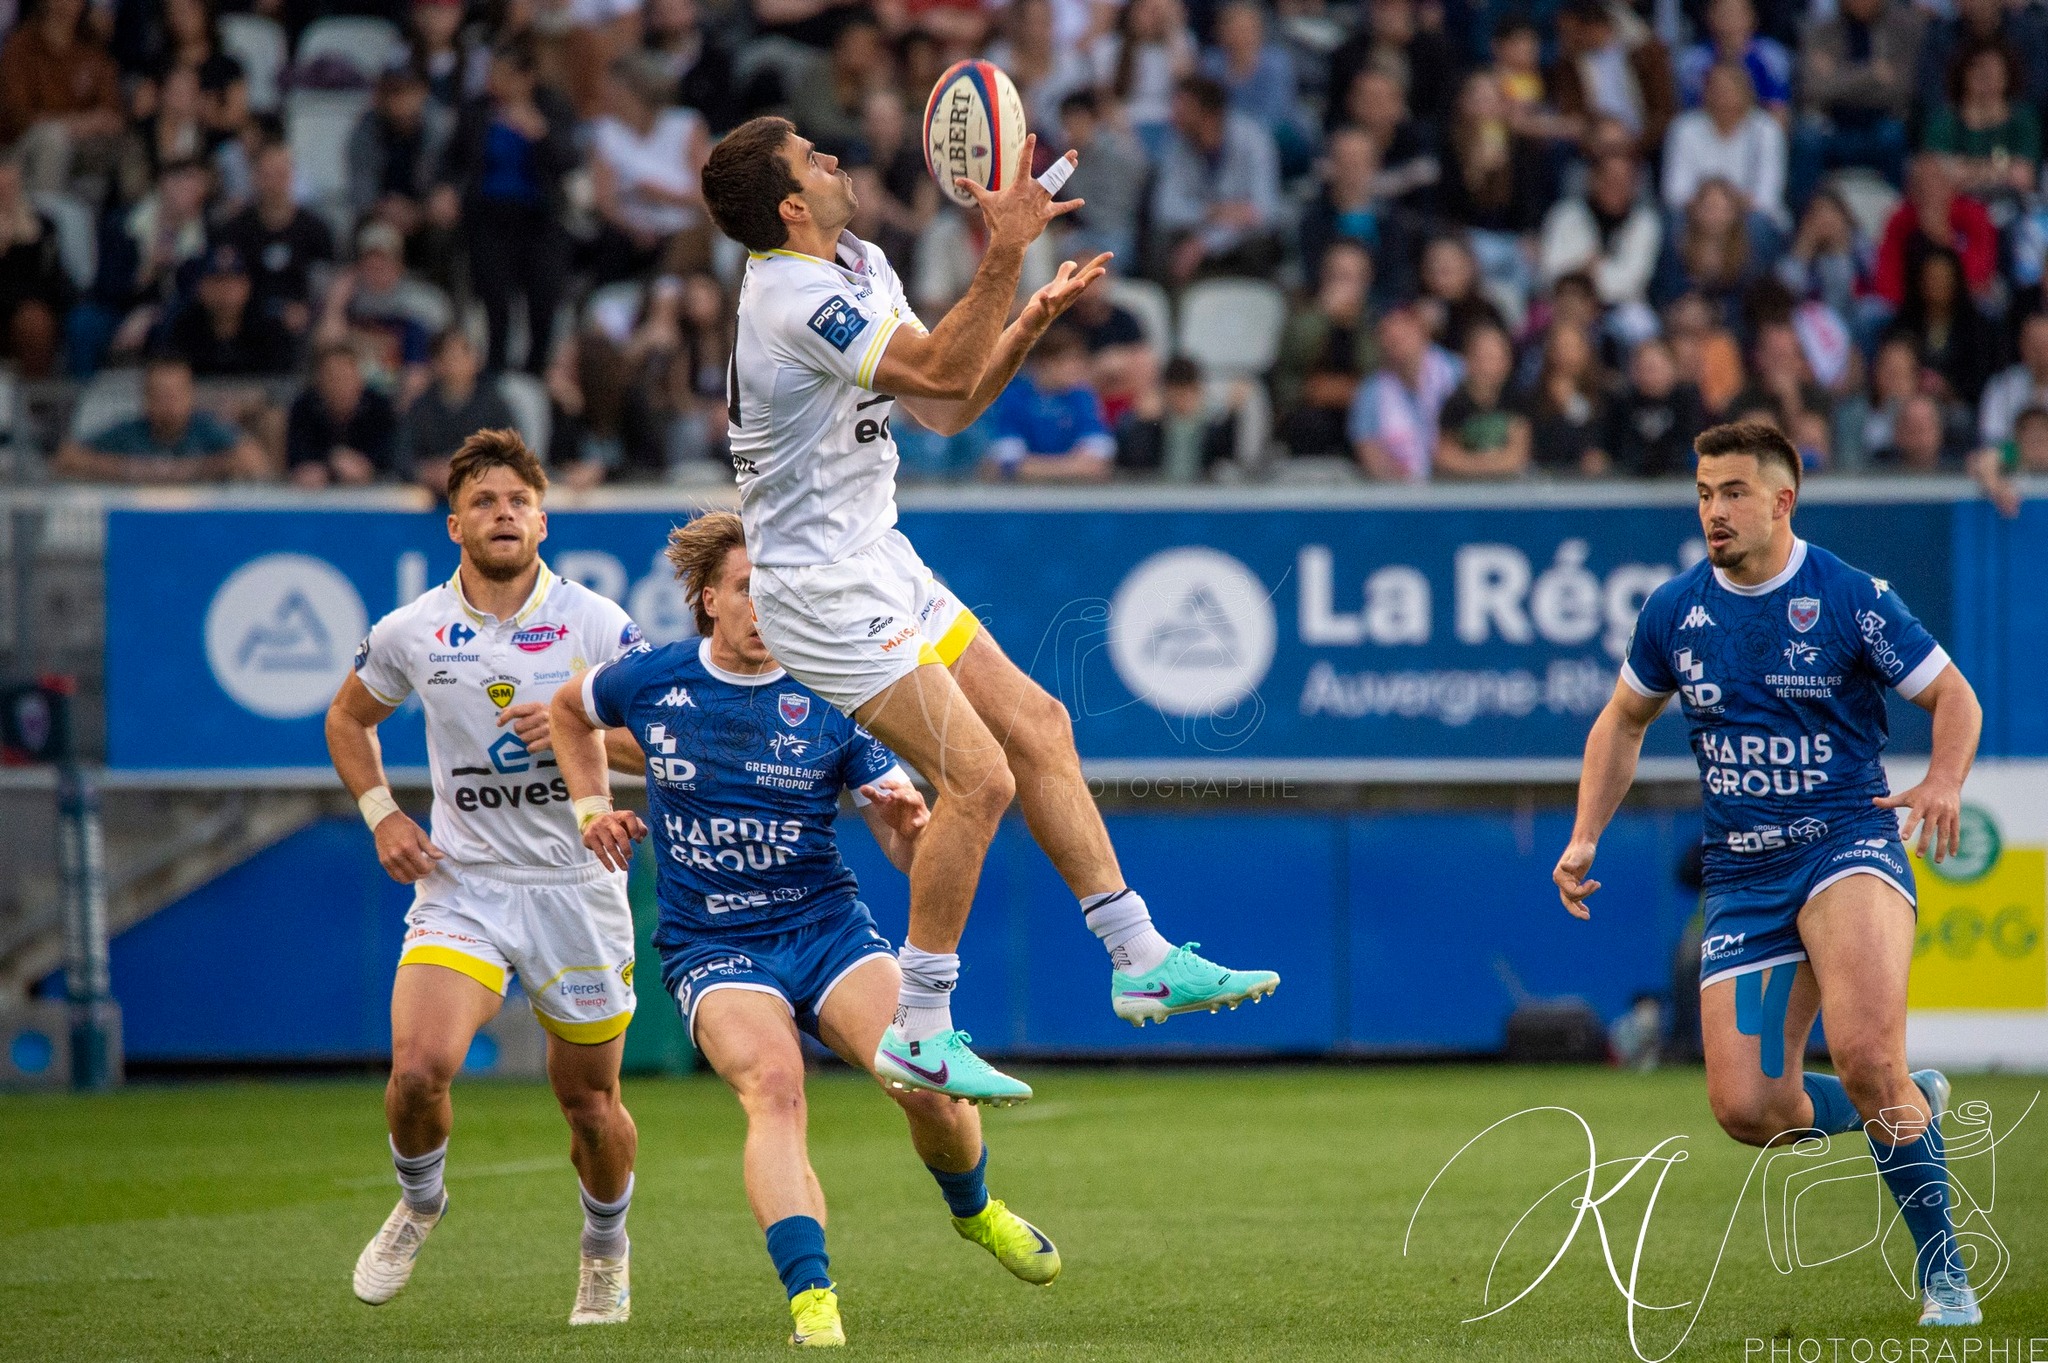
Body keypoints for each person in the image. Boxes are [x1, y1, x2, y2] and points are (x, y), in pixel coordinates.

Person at [699, 116, 1277, 1102]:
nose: (832, 157)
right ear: (790, 205)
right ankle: (921, 1026)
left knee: (1038, 726)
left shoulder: (858, 262)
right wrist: (1004, 249)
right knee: (978, 779)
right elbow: (934, 371)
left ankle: (1138, 956)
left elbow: (946, 404)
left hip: (879, 559)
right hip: (819, 589)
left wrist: (1026, 320)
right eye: (810, 158)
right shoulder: (792, 297)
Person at [550, 513, 1064, 1349]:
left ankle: (976, 1210)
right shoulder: (651, 678)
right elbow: (567, 711)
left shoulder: (840, 688)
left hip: (826, 929)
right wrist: (590, 808)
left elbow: (908, 854)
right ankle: (812, 1294)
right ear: (708, 598)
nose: (765, 606)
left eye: (780, 590)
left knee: (923, 1082)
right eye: (748, 589)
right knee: (775, 1087)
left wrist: (912, 826)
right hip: (713, 942)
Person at [1553, 418, 1986, 1331]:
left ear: (1783, 500)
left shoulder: (1848, 596)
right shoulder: (1674, 610)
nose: (1714, 510)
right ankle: (1909, 1102)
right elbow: (1622, 720)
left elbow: (1953, 693)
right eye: (1704, 493)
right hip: (1744, 877)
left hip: (1846, 846)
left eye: (1733, 492)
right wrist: (1586, 833)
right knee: (1748, 1107)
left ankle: (1946, 1274)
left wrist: (1944, 779)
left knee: (1866, 1055)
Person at [326, 432, 647, 1326]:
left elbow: (665, 736)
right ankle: (420, 1200)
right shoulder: (413, 629)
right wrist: (383, 814)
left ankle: (605, 1248)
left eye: (518, 501)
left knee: (590, 1104)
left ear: (543, 521)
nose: (502, 513)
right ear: (454, 524)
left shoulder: (596, 623)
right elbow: (348, 719)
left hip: (576, 884)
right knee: (419, 1069)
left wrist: (583, 727)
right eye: (484, 501)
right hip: (464, 882)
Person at [439, 35, 580, 374]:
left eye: (502, 75)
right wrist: (446, 190)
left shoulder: (552, 107)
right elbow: (452, 160)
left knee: (543, 299)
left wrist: (540, 134)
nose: (493, 82)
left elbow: (568, 161)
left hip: (538, 218)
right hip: (489, 215)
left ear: (526, 77)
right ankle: (496, 367)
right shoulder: (477, 110)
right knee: (494, 300)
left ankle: (537, 368)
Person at [50, 353, 267, 483]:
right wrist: (130, 470)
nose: (168, 403)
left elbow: (254, 461)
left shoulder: (207, 429)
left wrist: (189, 471)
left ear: (190, 396)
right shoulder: (128, 432)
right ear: (146, 398)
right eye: (159, 395)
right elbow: (67, 457)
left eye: (175, 395)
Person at [1149, 75, 1282, 284]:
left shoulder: (1253, 139)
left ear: (1208, 113)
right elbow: (1166, 209)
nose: (1173, 116)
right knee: (1161, 241)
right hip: (1195, 234)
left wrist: (1205, 243)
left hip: (1239, 242)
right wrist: (1214, 211)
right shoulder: (1176, 145)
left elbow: (1263, 212)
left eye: (1183, 108)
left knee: (1261, 241)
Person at [1791, 0, 1922, 204]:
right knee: (1806, 137)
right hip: (1831, 123)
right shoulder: (1820, 31)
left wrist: (1836, 76)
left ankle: (1896, 213)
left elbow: (1898, 92)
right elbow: (1814, 89)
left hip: (1880, 122)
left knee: (1893, 135)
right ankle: (1804, 216)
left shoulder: (1902, 30)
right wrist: (1873, 74)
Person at [216, 138, 337, 337]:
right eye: (267, 175)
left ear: (292, 176)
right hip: (247, 319)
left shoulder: (315, 229)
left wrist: (307, 310)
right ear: (254, 177)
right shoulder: (235, 229)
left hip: (302, 320)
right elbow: (226, 277)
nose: (273, 183)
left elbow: (325, 284)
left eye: (280, 174)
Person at [981, 325, 1115, 482]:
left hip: (1074, 490)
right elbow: (1004, 463)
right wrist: (1071, 467)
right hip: (1022, 492)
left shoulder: (1083, 397)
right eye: (1068, 360)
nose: (1077, 367)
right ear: (1045, 363)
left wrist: (1035, 467)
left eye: (1079, 360)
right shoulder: (1014, 397)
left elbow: (1096, 462)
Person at [1662, 64, 1787, 227]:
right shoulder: (1684, 128)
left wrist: (1725, 207)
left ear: (1746, 92)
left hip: (1748, 216)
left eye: (1730, 89)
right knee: (1674, 219)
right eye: (1716, 89)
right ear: (1705, 93)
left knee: (1759, 223)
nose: (1723, 96)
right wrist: (1710, 207)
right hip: (1698, 216)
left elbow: (1767, 197)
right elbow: (1674, 193)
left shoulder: (1766, 129)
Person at [1349, 303, 1462, 481]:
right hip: (1402, 491)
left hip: (1461, 483)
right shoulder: (1371, 391)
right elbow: (1369, 450)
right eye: (1391, 339)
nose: (1398, 344)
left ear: (1423, 332)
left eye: (1404, 336)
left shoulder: (1456, 372)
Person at [401, 328, 517, 495]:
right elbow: (402, 455)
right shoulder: (422, 406)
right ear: (437, 363)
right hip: (430, 497)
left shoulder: (493, 403)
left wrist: (469, 470)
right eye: (452, 356)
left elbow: (511, 450)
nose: (460, 362)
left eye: (465, 354)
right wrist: (425, 472)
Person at [162, 242, 295, 378]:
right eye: (217, 280)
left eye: (233, 281)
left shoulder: (269, 330)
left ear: (247, 285)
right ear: (200, 287)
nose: (225, 289)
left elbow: (281, 381)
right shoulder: (183, 329)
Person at [287, 344, 400, 488]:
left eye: (346, 376)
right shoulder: (304, 408)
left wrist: (367, 468)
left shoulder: (380, 408)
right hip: (316, 494)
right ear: (319, 381)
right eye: (333, 377)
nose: (340, 385)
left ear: (359, 379)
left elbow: (391, 456)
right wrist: (330, 461)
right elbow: (298, 458)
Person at [1592, 335, 1706, 476]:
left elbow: (1692, 444)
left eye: (1654, 368)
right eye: (1642, 368)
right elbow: (1608, 445)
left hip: (1677, 480)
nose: (1648, 374)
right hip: (1627, 480)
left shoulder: (1686, 401)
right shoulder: (1621, 402)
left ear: (1672, 368)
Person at [1434, 323, 1530, 479]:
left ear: (1506, 363)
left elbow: (1518, 455)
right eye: (1481, 357)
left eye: (1493, 358)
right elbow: (1444, 456)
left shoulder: (1515, 402)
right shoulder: (1454, 404)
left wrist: (1474, 465)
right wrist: (1485, 466)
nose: (1486, 367)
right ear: (1467, 360)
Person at [1977, 310, 2048, 447]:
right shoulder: (2002, 386)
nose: (2041, 352)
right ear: (2022, 346)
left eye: (2045, 344)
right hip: (2013, 460)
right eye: (2034, 344)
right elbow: (1991, 440)